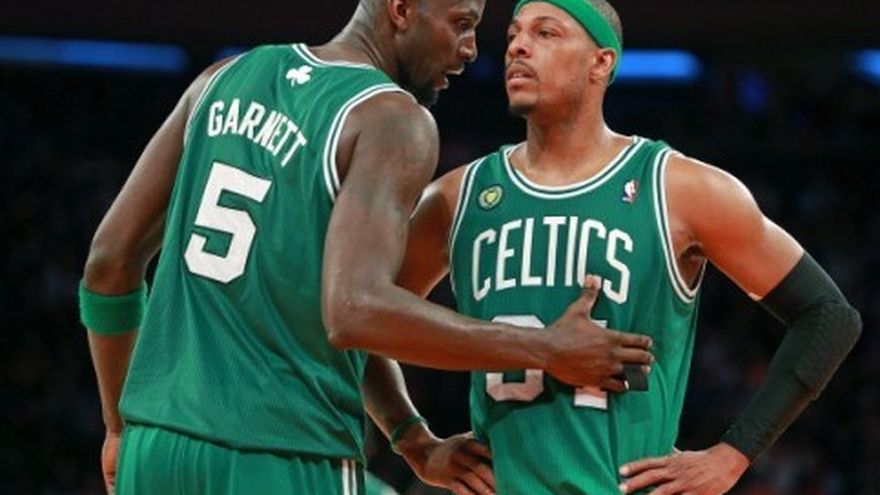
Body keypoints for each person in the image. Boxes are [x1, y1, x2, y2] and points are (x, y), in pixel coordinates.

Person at [80, 0, 657, 493]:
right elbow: (356, 311)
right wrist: (545, 348)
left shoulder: (219, 81)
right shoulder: (392, 118)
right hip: (282, 451)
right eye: (461, 23)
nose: (471, 50)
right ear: (401, 9)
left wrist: (118, 427)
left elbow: (108, 264)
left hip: (153, 449)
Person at [394, 0, 863, 494]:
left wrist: (732, 455)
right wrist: (412, 440)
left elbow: (829, 316)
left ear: (601, 62)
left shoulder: (679, 187)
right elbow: (360, 317)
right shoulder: (457, 197)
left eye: (545, 33)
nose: (518, 47)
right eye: (513, 34)